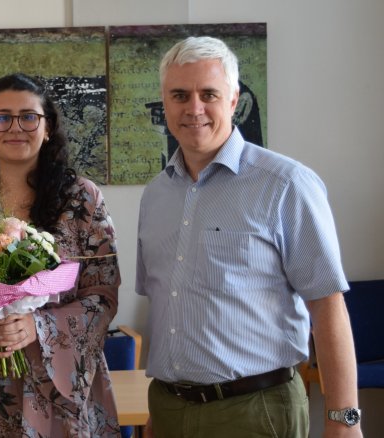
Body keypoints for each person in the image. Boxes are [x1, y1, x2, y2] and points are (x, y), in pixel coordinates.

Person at [136, 36, 362, 437]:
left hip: (256, 412)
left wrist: (344, 421)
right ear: (164, 101)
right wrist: (162, 410)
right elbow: (167, 308)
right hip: (169, 409)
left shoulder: (286, 184)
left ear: (234, 99)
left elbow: (328, 307)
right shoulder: (155, 195)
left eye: (209, 94)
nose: (194, 109)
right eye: (180, 95)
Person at [0, 73, 122, 437]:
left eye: (29, 117)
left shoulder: (82, 199)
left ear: (47, 127)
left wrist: (39, 327)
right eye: (2, 117)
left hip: (59, 390)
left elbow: (104, 293)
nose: (15, 127)